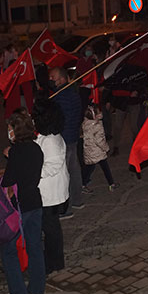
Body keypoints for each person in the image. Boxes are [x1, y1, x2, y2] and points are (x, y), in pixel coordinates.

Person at [0, 111, 46, 294]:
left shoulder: (16, 151)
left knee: (8, 250)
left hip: (19, 206)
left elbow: (9, 179)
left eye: (10, 129)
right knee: (35, 246)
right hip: (35, 202)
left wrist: (9, 158)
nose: (8, 132)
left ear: (16, 131)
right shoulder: (36, 148)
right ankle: (37, 288)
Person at [32, 97, 69, 271]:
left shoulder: (51, 140)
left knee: (51, 229)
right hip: (50, 192)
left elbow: (52, 166)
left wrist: (30, 173)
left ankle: (54, 263)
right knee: (51, 228)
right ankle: (53, 261)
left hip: (51, 194)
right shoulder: (49, 136)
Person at [48, 67, 84, 210]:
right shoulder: (73, 93)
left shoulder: (60, 96)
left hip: (64, 137)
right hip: (73, 135)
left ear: (62, 79)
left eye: (53, 77)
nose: (50, 80)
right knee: (74, 170)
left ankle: (66, 208)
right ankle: (77, 200)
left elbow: (57, 118)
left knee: (64, 174)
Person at [81, 104, 118, 193]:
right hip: (98, 151)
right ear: (95, 116)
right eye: (99, 112)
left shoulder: (86, 123)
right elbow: (100, 140)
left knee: (90, 168)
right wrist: (106, 148)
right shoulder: (97, 126)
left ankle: (83, 184)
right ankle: (111, 184)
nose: (101, 113)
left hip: (90, 151)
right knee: (103, 168)